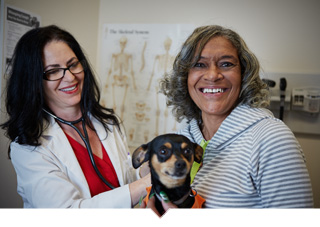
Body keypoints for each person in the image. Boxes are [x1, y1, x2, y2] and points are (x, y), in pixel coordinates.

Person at [159, 25, 314, 208]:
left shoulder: (272, 139)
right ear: (185, 77)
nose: (213, 75)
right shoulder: (183, 138)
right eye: (199, 64)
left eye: (226, 64)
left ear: (243, 75)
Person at [1, 25, 150, 208]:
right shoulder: (28, 147)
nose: (70, 77)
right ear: (33, 81)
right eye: (53, 71)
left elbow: (123, 180)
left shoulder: (108, 123)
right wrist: (144, 185)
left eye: (72, 65)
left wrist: (144, 172)